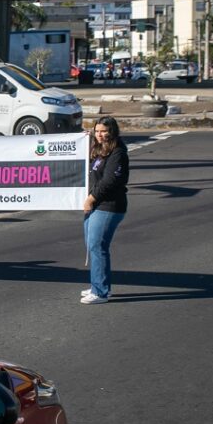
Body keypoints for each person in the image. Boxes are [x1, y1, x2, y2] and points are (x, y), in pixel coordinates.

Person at [81, 116, 129, 304]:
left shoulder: (118, 153)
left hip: (109, 206)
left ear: (112, 132)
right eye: (97, 131)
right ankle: (99, 285)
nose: (100, 135)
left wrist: (91, 199)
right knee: (93, 246)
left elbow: (110, 181)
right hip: (95, 204)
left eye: (104, 131)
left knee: (97, 246)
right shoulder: (100, 150)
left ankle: (100, 292)